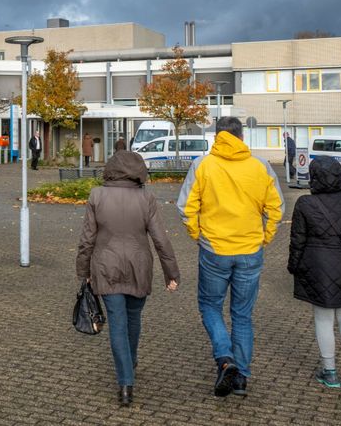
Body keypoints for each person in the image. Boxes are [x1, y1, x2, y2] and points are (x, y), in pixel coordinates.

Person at [176, 116, 284, 398]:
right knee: (242, 315)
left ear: (217, 136)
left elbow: (186, 208)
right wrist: (265, 237)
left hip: (215, 250)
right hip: (250, 251)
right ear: (241, 137)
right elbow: (276, 208)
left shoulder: (203, 165)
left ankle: (225, 360)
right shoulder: (260, 166)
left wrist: (199, 236)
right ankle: (241, 378)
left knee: (210, 306)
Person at [76, 151, 180, 406]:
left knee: (118, 324)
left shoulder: (96, 195)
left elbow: (87, 240)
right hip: (139, 267)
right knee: (133, 319)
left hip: (106, 267)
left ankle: (125, 382)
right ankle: (129, 364)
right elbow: (160, 239)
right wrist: (171, 273)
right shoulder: (146, 197)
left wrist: (83, 272)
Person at [287, 156, 341, 392]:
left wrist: (294, 265)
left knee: (323, 319)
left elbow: (298, 241)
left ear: (314, 178)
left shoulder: (305, 204)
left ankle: (330, 372)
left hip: (318, 269)